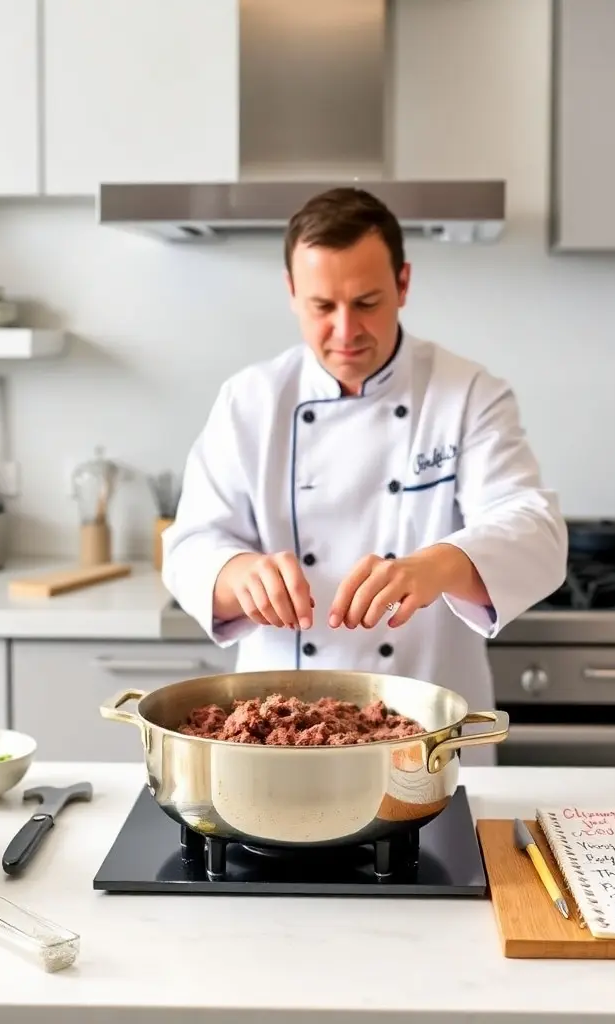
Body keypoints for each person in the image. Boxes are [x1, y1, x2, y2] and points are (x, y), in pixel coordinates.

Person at [161, 187, 568, 760]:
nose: (346, 331)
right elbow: (188, 545)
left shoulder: (466, 394)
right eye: (323, 307)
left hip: (427, 735)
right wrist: (237, 572)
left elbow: (536, 530)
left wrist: (437, 565)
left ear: (403, 284)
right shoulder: (250, 401)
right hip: (275, 737)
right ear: (291, 292)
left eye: (368, 302)